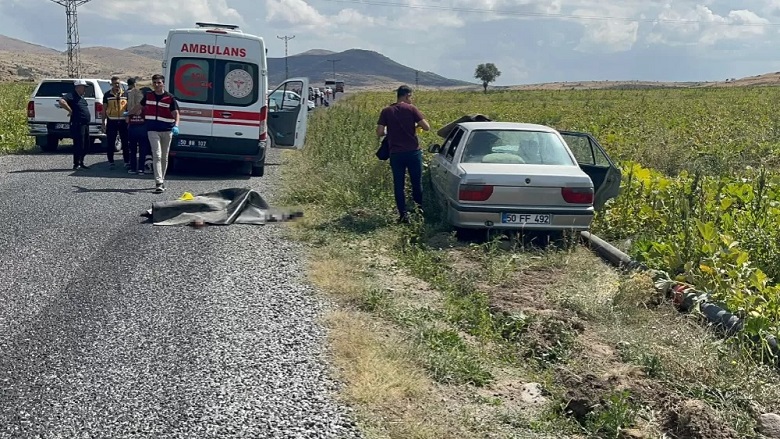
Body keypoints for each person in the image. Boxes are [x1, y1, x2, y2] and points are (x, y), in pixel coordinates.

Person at [376, 85, 431, 223]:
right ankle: (419, 213)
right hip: (413, 152)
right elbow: (427, 127)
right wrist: (415, 127)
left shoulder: (386, 111)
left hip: (396, 154)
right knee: (416, 183)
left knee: (398, 185)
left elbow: (379, 132)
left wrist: (390, 132)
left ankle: (403, 215)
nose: (411, 100)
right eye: (410, 97)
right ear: (407, 95)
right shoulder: (411, 109)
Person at [132, 74, 179, 193]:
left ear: (163, 83)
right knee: (156, 155)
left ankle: (161, 179)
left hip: (167, 130)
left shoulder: (170, 98)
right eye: (155, 83)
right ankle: (159, 182)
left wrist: (176, 126)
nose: (157, 85)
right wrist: (129, 113)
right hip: (152, 130)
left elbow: (176, 113)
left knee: (164, 156)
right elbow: (139, 106)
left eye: (159, 83)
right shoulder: (148, 96)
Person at [58, 79, 92, 170]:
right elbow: (61, 101)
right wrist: (70, 110)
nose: (85, 89)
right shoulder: (71, 95)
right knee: (79, 144)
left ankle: (81, 161)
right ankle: (76, 164)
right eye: (83, 87)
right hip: (77, 124)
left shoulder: (81, 97)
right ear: (78, 87)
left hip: (85, 124)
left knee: (86, 145)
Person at [102, 75, 129, 169]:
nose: (117, 85)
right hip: (111, 121)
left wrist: (128, 118)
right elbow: (104, 109)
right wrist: (103, 122)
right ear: (111, 84)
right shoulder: (107, 95)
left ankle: (126, 161)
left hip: (123, 121)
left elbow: (128, 108)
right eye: (115, 84)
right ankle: (111, 161)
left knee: (125, 142)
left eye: (118, 83)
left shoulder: (125, 94)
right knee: (110, 142)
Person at [124, 77, 149, 174]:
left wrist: (128, 115)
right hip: (141, 128)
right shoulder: (145, 107)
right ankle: (140, 168)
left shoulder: (130, 108)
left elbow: (127, 119)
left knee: (134, 149)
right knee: (141, 150)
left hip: (134, 128)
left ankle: (134, 168)